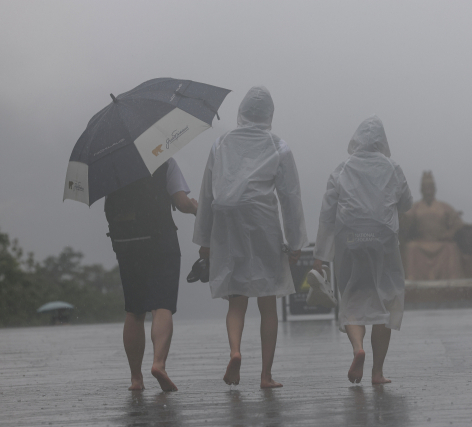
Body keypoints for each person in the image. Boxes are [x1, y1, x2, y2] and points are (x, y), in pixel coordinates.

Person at [193, 86, 308, 389]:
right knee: (267, 301)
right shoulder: (278, 146)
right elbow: (290, 196)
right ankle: (266, 375)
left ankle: (235, 351)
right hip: (262, 221)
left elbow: (207, 192)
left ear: (241, 112)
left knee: (236, 298)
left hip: (227, 223)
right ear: (269, 115)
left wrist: (204, 238)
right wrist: (296, 243)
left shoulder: (221, 143)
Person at [311, 116, 413, 384]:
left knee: (352, 296)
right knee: (385, 299)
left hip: (351, 239)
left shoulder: (342, 169)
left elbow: (327, 213)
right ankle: (377, 373)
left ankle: (358, 348)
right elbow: (406, 203)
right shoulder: (393, 167)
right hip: (383, 240)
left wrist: (320, 256)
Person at [105, 157, 198, 392]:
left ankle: (136, 379)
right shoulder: (164, 160)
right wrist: (197, 208)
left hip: (126, 243)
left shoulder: (111, 163)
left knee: (134, 311)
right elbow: (182, 202)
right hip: (160, 240)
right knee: (162, 305)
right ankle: (158, 364)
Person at [400, 171, 465, 281]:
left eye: (430, 187)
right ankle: (412, 281)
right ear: (422, 189)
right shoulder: (415, 207)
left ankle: (453, 283)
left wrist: (449, 233)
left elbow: (458, 223)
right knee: (411, 248)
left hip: (441, 243)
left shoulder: (444, 207)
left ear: (434, 189)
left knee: (451, 248)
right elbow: (406, 221)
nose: (428, 190)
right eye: (426, 187)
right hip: (421, 242)